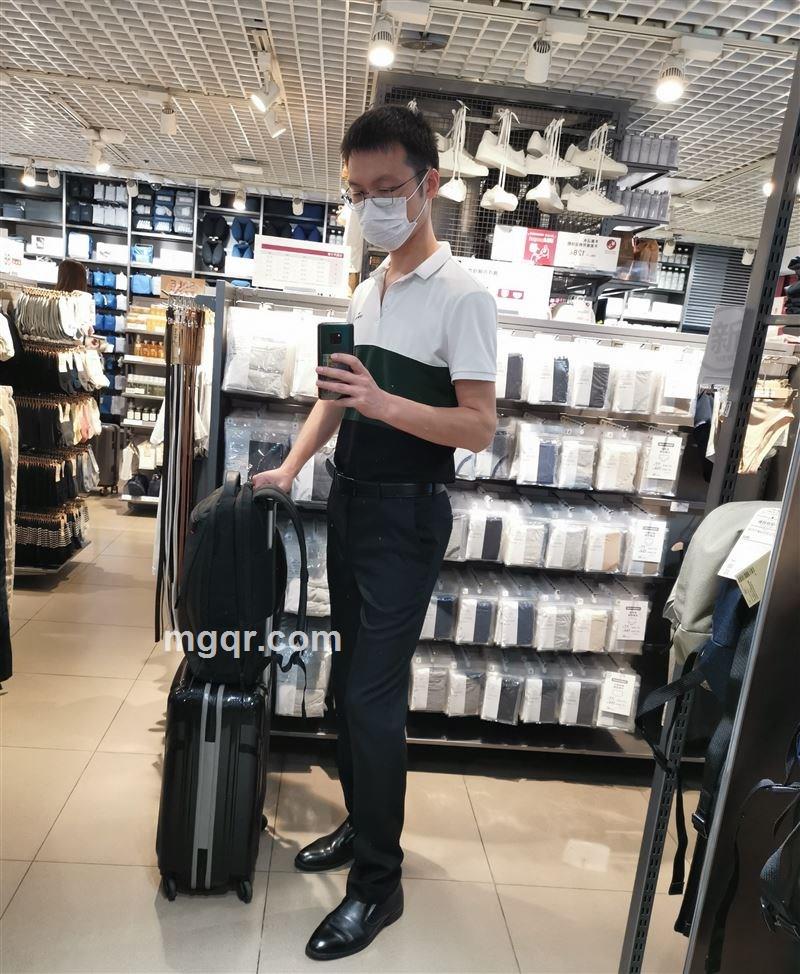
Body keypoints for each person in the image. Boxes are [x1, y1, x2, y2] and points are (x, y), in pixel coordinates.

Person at [253, 105, 498, 961]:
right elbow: (337, 396)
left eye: (386, 189)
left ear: (430, 185)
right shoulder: (369, 288)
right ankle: (364, 827)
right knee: (345, 687)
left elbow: (478, 428)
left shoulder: (464, 295)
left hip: (407, 514)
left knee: (371, 697)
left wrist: (385, 403)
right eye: (357, 193)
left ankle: (377, 886)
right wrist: (291, 466)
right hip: (352, 502)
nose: (371, 207)